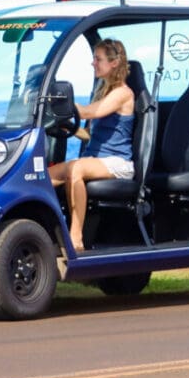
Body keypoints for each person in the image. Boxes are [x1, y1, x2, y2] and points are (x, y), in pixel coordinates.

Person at [47, 39, 135, 253]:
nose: (93, 63)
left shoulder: (123, 94)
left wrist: (60, 101)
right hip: (95, 158)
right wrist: (69, 127)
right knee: (42, 175)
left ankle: (76, 238)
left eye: (98, 59)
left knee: (76, 168)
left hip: (117, 162)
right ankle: (45, 231)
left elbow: (87, 112)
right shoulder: (103, 92)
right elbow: (89, 134)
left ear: (114, 63)